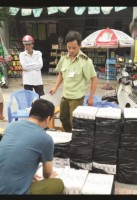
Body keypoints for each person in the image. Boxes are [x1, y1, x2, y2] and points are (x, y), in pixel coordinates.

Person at [0, 99, 64, 194]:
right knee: (58, 183)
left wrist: (27, 172)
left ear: (30, 112)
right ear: (48, 119)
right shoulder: (46, 139)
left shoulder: (11, 126)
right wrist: (49, 175)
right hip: (12, 192)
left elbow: (11, 153)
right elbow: (47, 174)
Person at [49, 31, 98, 132]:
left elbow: (94, 79)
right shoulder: (64, 59)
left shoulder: (85, 61)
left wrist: (91, 97)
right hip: (65, 95)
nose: (71, 50)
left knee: (74, 121)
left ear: (80, 45)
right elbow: (61, 74)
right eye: (68, 47)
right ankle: (68, 134)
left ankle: (74, 139)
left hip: (77, 97)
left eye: (74, 48)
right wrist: (55, 87)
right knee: (62, 118)